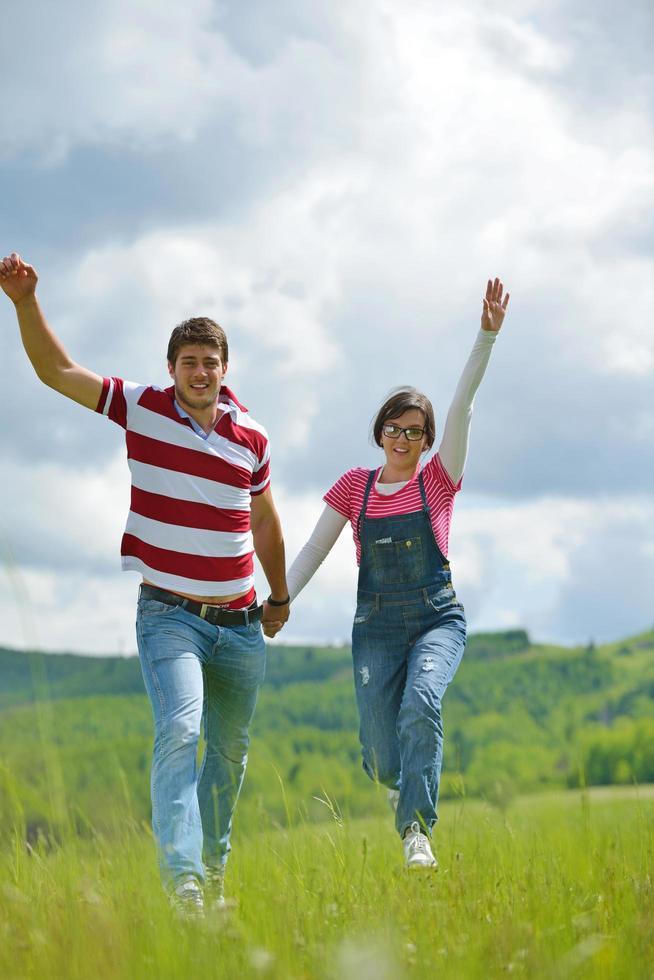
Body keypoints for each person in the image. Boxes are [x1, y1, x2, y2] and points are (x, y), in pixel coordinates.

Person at [0, 252, 290, 915]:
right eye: (188, 361)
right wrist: (23, 303)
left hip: (243, 625)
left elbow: (267, 523)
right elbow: (56, 372)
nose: (199, 372)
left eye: (210, 361)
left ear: (225, 368)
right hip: (170, 618)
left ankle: (212, 878)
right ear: (172, 369)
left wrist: (278, 597)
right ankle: (183, 881)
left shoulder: (253, 437)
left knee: (231, 754)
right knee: (180, 733)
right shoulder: (141, 407)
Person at [272, 278, 510, 869]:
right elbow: (311, 551)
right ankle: (399, 787)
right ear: (380, 431)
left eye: (414, 431)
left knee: (422, 702)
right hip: (375, 628)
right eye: (393, 428)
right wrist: (277, 598)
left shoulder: (437, 481)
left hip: (436, 617)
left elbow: (462, 406)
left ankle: (416, 832)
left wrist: (485, 337)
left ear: (429, 442)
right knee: (382, 757)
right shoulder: (355, 486)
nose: (402, 438)